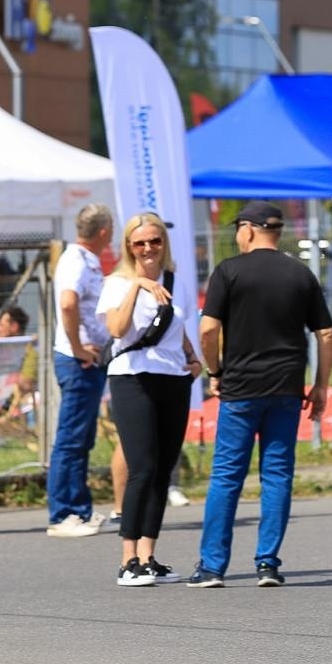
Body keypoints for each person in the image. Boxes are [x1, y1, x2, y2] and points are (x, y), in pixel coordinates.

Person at [188, 202, 332, 588]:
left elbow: (208, 329)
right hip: (286, 387)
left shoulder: (229, 271)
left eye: (238, 229)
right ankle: (267, 563)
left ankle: (212, 567)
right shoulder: (300, 273)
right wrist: (320, 384)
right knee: (278, 474)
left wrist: (215, 371)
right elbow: (327, 333)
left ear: (249, 229)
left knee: (226, 475)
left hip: (240, 388)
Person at [99, 211, 200, 586]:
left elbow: (176, 324)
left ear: (164, 243)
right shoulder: (116, 283)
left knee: (162, 469)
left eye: (154, 241)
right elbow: (116, 328)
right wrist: (137, 286)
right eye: (139, 243)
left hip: (173, 377)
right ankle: (127, 559)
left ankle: (148, 554)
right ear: (128, 246)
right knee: (141, 467)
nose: (148, 249)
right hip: (132, 376)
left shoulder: (175, 281)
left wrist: (193, 357)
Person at [47, 204, 114, 538]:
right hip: (79, 360)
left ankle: (79, 508)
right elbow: (68, 302)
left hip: (87, 359)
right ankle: (64, 513)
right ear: (104, 231)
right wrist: (77, 346)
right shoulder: (76, 259)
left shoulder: (83, 259)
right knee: (71, 438)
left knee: (81, 437)